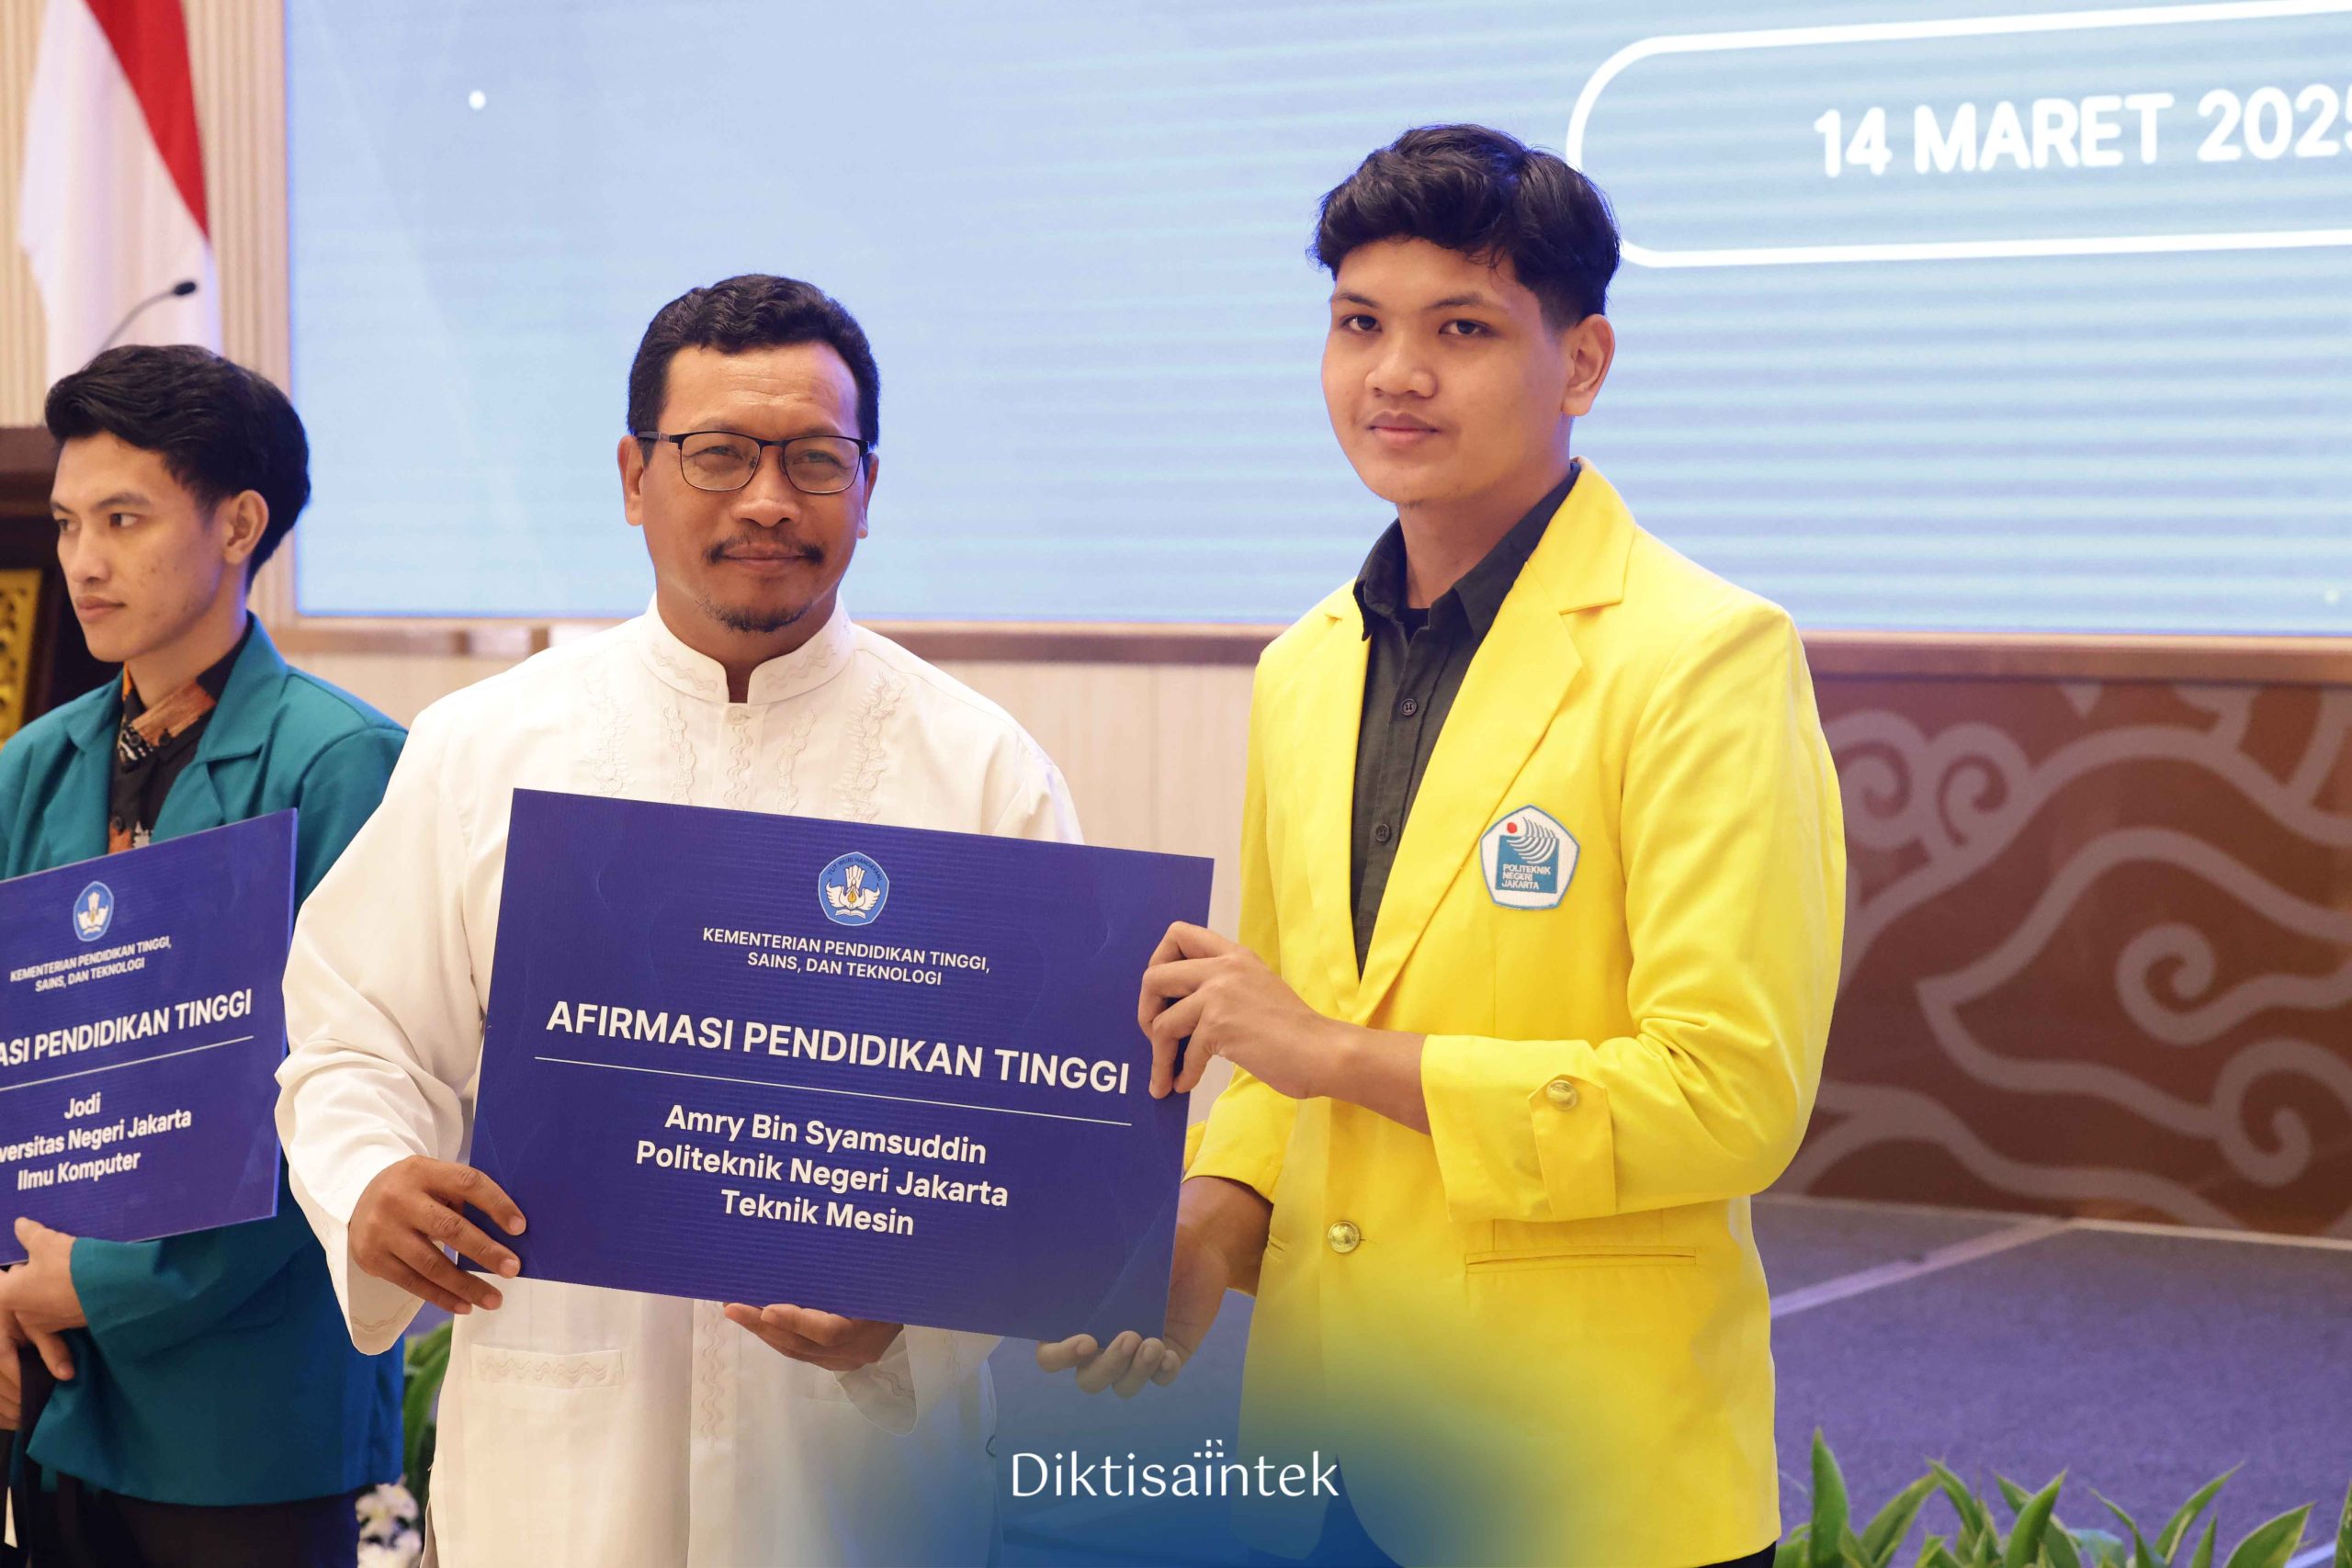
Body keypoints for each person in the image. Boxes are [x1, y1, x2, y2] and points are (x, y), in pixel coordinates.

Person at [1041, 126, 1847, 1567]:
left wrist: (1332, 1054)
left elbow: (1728, 1098)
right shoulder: (1305, 667)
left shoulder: (1705, 658)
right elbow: (1279, 1041)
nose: (1394, 374)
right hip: (1323, 1468)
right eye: (1359, 324)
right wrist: (1209, 1230)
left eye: (1460, 330)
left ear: (1582, 362)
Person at [275, 274, 1080, 1566]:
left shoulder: (982, 772)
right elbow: (356, 1041)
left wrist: (915, 1310)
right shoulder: (486, 747)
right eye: (718, 455)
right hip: (564, 1457)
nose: (767, 499)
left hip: (856, 1485)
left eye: (814, 459)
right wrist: (370, 1178)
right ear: (634, 475)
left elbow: (1043, 1138)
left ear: (868, 485)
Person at [0, 344, 406, 1567]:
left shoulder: (341, 765)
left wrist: (103, 1284)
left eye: (123, 520)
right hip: (49, 1377)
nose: (83, 560)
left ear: (238, 524)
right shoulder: (38, 765)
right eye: (68, 523)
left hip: (242, 1403)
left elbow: (345, 1098)